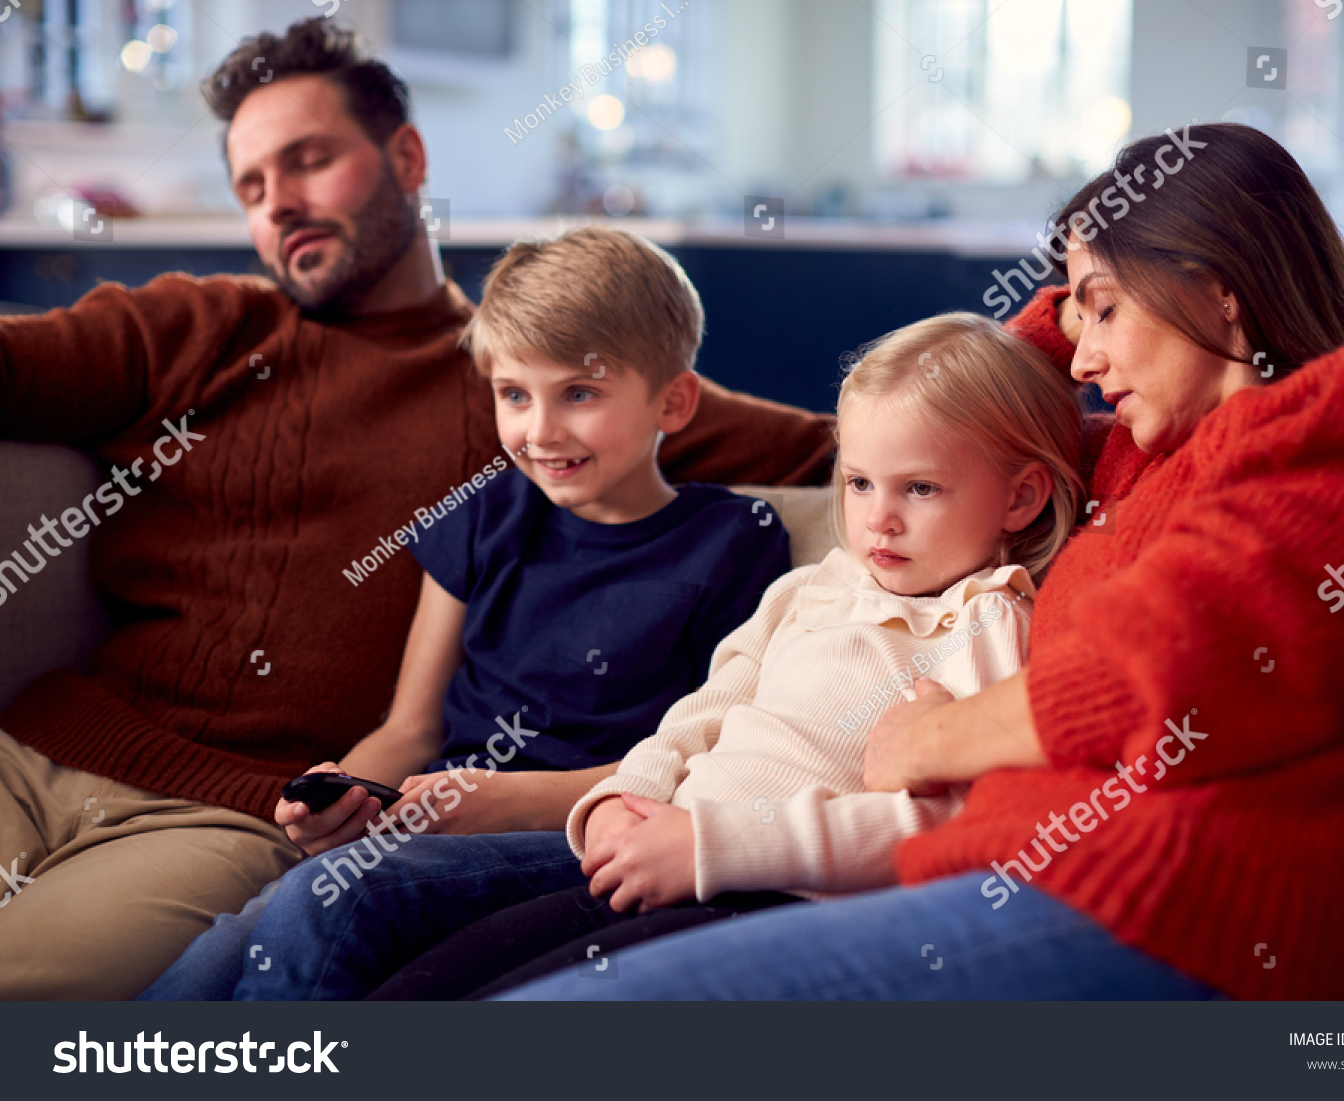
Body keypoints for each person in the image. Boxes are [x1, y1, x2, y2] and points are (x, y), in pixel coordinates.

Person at [490, 122, 1344, 1001]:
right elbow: (966, 396)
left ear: (1222, 293)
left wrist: (932, 740)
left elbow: (1189, 672)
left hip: (1160, 905)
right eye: (1079, 312)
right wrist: (1098, 278)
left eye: (1102, 309)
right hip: (990, 871)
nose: (1086, 352)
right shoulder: (1141, 454)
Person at [0, 19, 832, 999]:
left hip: (218, 818)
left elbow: (859, 442)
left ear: (405, 156)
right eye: (253, 187)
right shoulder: (201, 323)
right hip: (31, 748)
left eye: (308, 162)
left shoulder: (533, 375)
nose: (282, 207)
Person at [140, 224, 791, 1001]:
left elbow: (707, 761)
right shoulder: (485, 514)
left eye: (579, 394)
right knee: (219, 950)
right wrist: (343, 794)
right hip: (434, 821)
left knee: (330, 902)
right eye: (514, 394)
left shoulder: (734, 541)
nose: (540, 430)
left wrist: (503, 799)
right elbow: (409, 731)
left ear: (674, 400)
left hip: (581, 836)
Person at [364, 313, 1088, 1000]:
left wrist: (713, 842)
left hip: (768, 896)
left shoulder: (990, 622)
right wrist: (626, 798)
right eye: (860, 482)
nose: (877, 519)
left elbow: (939, 827)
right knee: (416, 986)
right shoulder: (813, 586)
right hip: (659, 845)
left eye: (920, 488)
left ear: (1021, 497)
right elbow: (701, 715)